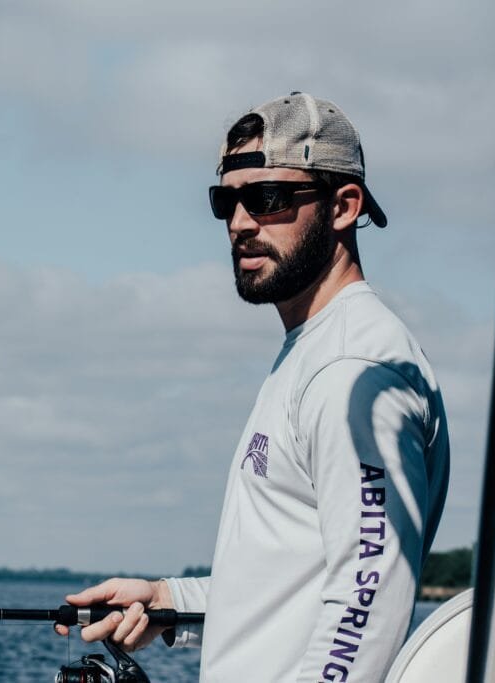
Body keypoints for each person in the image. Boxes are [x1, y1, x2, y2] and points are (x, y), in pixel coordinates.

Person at [56, 93, 451, 681]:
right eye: (227, 201)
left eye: (267, 199)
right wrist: (167, 600)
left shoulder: (351, 370)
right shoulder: (314, 349)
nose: (239, 223)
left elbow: (366, 603)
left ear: (344, 206)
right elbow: (286, 579)